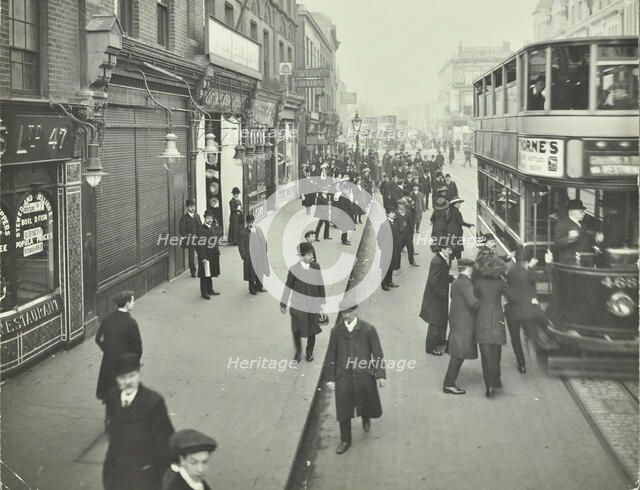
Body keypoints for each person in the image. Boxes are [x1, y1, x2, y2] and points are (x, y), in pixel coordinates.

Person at [103, 353, 174, 490]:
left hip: (144, 477)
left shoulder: (153, 402)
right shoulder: (113, 397)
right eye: (123, 377)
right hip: (117, 475)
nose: (128, 382)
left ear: (139, 375)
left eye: (132, 376)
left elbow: (165, 442)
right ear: (117, 379)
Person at [325, 300, 386, 455]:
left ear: (356, 311)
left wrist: (380, 375)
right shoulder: (336, 332)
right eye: (343, 313)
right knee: (343, 407)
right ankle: (345, 440)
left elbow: (377, 353)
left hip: (363, 374)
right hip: (343, 375)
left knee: (364, 399)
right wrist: (331, 378)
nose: (345, 316)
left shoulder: (368, 330)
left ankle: (365, 416)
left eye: (348, 312)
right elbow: (331, 355)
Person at [280, 243, 326, 362]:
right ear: (301, 256)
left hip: (313, 305)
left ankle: (309, 352)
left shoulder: (316, 267)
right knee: (296, 329)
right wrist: (283, 303)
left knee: (312, 330)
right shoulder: (294, 269)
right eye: (309, 254)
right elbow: (288, 287)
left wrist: (322, 302)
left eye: (312, 254)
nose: (312, 256)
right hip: (298, 306)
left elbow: (320, 284)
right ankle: (298, 351)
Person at [504, 251, 548, 373]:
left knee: (515, 339)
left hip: (512, 311)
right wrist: (549, 262)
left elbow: (521, 278)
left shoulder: (511, 271)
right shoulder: (529, 272)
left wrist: (529, 267)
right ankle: (534, 350)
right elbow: (545, 277)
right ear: (527, 261)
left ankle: (521, 364)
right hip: (526, 311)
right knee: (531, 333)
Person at [95, 291, 142, 403]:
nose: (133, 303)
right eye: (132, 301)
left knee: (110, 388)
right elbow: (137, 347)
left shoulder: (107, 320)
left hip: (108, 361)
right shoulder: (131, 323)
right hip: (124, 364)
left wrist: (107, 349)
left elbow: (98, 339)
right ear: (127, 304)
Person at [473, 251, 508, 398]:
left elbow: (474, 299)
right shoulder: (501, 282)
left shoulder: (478, 283)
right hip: (497, 318)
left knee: (486, 354)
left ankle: (489, 387)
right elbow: (511, 295)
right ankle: (497, 379)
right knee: (496, 351)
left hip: (482, 319)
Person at [443, 258, 479, 395]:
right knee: (459, 354)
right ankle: (448, 384)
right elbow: (473, 303)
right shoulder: (465, 283)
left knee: (459, 353)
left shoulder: (457, 282)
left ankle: (449, 383)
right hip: (464, 323)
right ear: (468, 269)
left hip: (457, 320)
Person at [420, 244, 454, 356]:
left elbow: (442, 276)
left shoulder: (442, 259)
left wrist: (451, 278)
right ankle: (430, 347)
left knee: (442, 319)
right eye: (448, 250)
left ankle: (439, 340)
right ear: (443, 249)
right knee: (435, 321)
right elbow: (433, 281)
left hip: (440, 296)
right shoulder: (437, 261)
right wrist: (443, 293)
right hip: (436, 297)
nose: (450, 252)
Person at [553, 199, 604, 264]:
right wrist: (569, 238)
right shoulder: (562, 224)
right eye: (581, 211)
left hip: (585, 261)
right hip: (571, 261)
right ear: (572, 212)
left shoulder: (583, 225)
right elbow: (557, 244)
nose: (584, 213)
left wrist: (595, 237)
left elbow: (585, 238)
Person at [238, 214, 270, 295]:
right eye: (249, 222)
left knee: (260, 271)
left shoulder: (258, 229)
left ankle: (259, 287)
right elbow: (241, 246)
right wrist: (244, 256)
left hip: (259, 254)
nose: (250, 224)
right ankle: (252, 289)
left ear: (254, 222)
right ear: (247, 223)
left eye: (252, 222)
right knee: (251, 272)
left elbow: (263, 240)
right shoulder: (243, 232)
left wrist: (264, 251)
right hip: (250, 256)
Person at [196, 210, 221, 299]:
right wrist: (203, 258)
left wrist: (217, 251)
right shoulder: (201, 230)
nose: (209, 220)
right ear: (205, 219)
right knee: (204, 274)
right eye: (208, 218)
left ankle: (210, 290)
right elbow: (200, 245)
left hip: (212, 255)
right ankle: (204, 293)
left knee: (209, 273)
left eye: (211, 218)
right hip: (205, 256)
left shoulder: (211, 228)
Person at [178, 199, 202, 277]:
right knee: (191, 255)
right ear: (187, 207)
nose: (193, 208)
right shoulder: (184, 218)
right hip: (190, 239)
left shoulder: (197, 216)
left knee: (201, 254)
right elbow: (182, 231)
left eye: (194, 206)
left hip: (198, 239)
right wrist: (189, 236)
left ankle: (201, 270)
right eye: (191, 207)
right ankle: (193, 271)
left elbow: (200, 227)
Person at [395, 199, 419, 268]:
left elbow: (411, 222)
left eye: (403, 204)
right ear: (398, 205)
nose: (402, 206)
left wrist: (412, 231)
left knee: (410, 248)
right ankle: (396, 264)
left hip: (407, 233)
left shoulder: (408, 212)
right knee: (398, 250)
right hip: (399, 234)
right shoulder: (396, 213)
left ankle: (412, 262)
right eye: (400, 204)